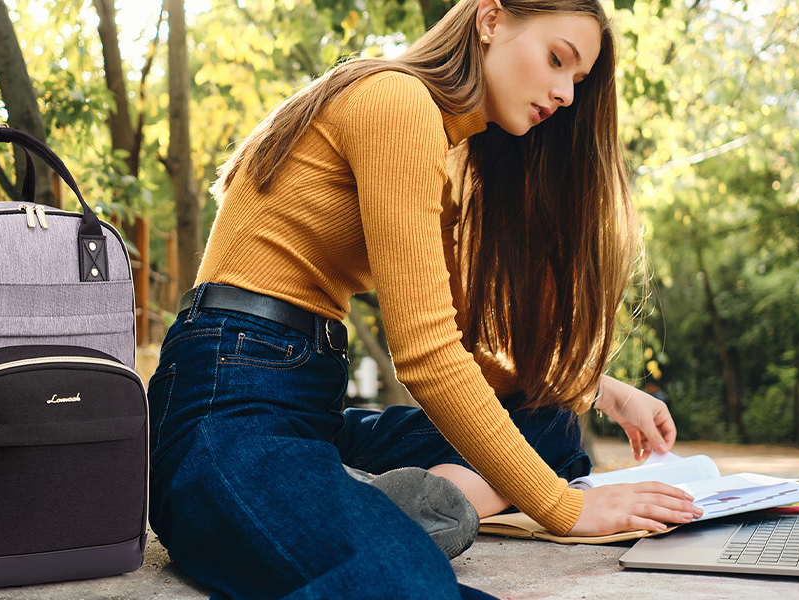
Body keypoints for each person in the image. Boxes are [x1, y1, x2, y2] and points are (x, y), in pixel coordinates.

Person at [146, 0, 700, 597]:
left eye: (578, 80)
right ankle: (369, 520)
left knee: (550, 425)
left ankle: (370, 503)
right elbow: (427, 357)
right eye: (557, 59)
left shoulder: (444, 152)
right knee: (402, 578)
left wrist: (601, 391)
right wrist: (563, 508)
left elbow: (462, 351)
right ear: (490, 20)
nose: (565, 93)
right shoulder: (398, 101)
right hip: (226, 406)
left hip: (310, 409)